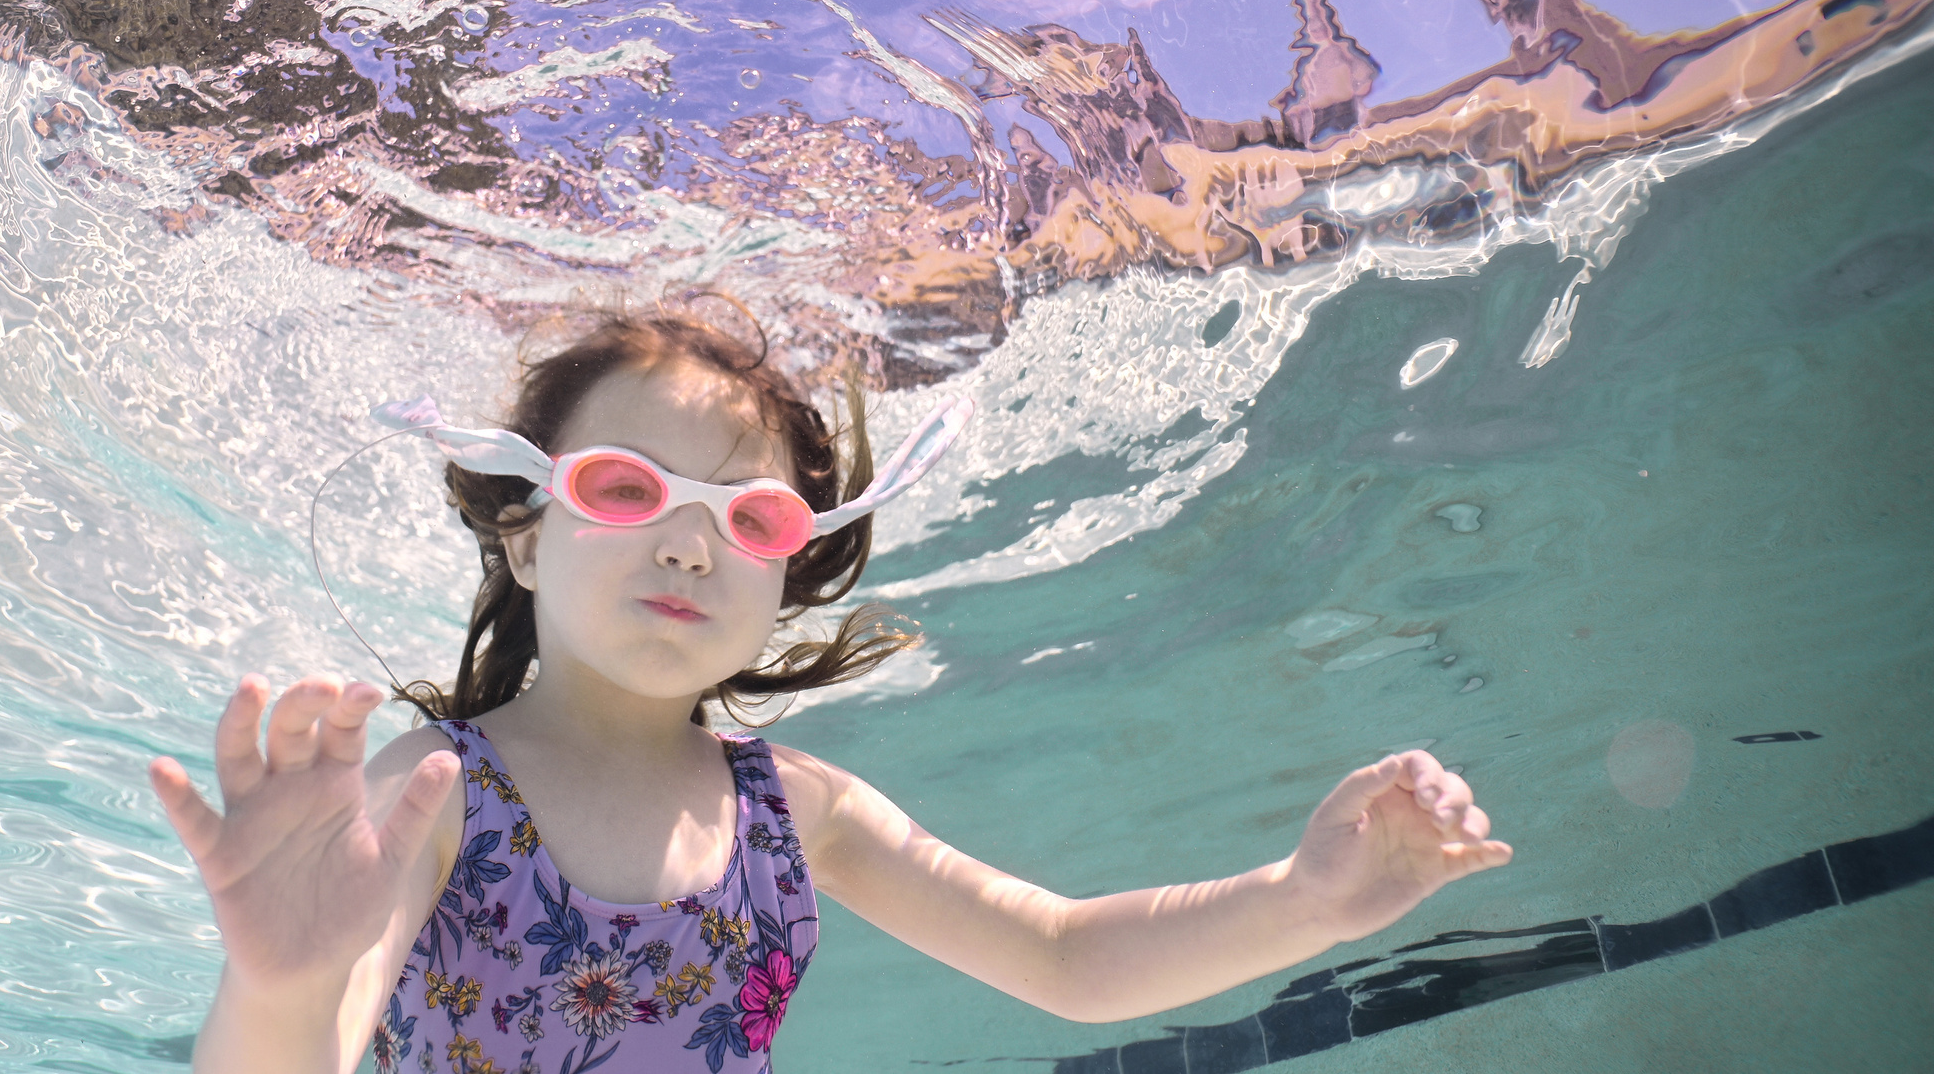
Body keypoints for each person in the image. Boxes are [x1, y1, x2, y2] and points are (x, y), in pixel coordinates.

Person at [149, 306, 1511, 1073]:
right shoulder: (434, 796)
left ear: (788, 575)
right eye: (630, 491)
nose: (691, 540)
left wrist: (1311, 896)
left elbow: (1067, 956)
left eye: (751, 520)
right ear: (525, 531)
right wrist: (277, 987)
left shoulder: (799, 815)